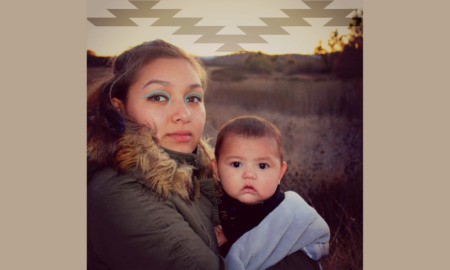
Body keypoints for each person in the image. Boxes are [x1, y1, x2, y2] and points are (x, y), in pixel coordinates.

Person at [87, 39, 324, 270]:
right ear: (119, 107)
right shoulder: (123, 194)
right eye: (158, 97)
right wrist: (305, 259)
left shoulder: (201, 173)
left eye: (193, 98)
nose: (184, 114)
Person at [212, 116, 330, 270]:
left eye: (262, 166)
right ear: (216, 169)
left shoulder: (288, 217)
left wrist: (226, 247)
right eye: (236, 164)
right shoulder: (211, 207)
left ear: (280, 173)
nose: (249, 174)